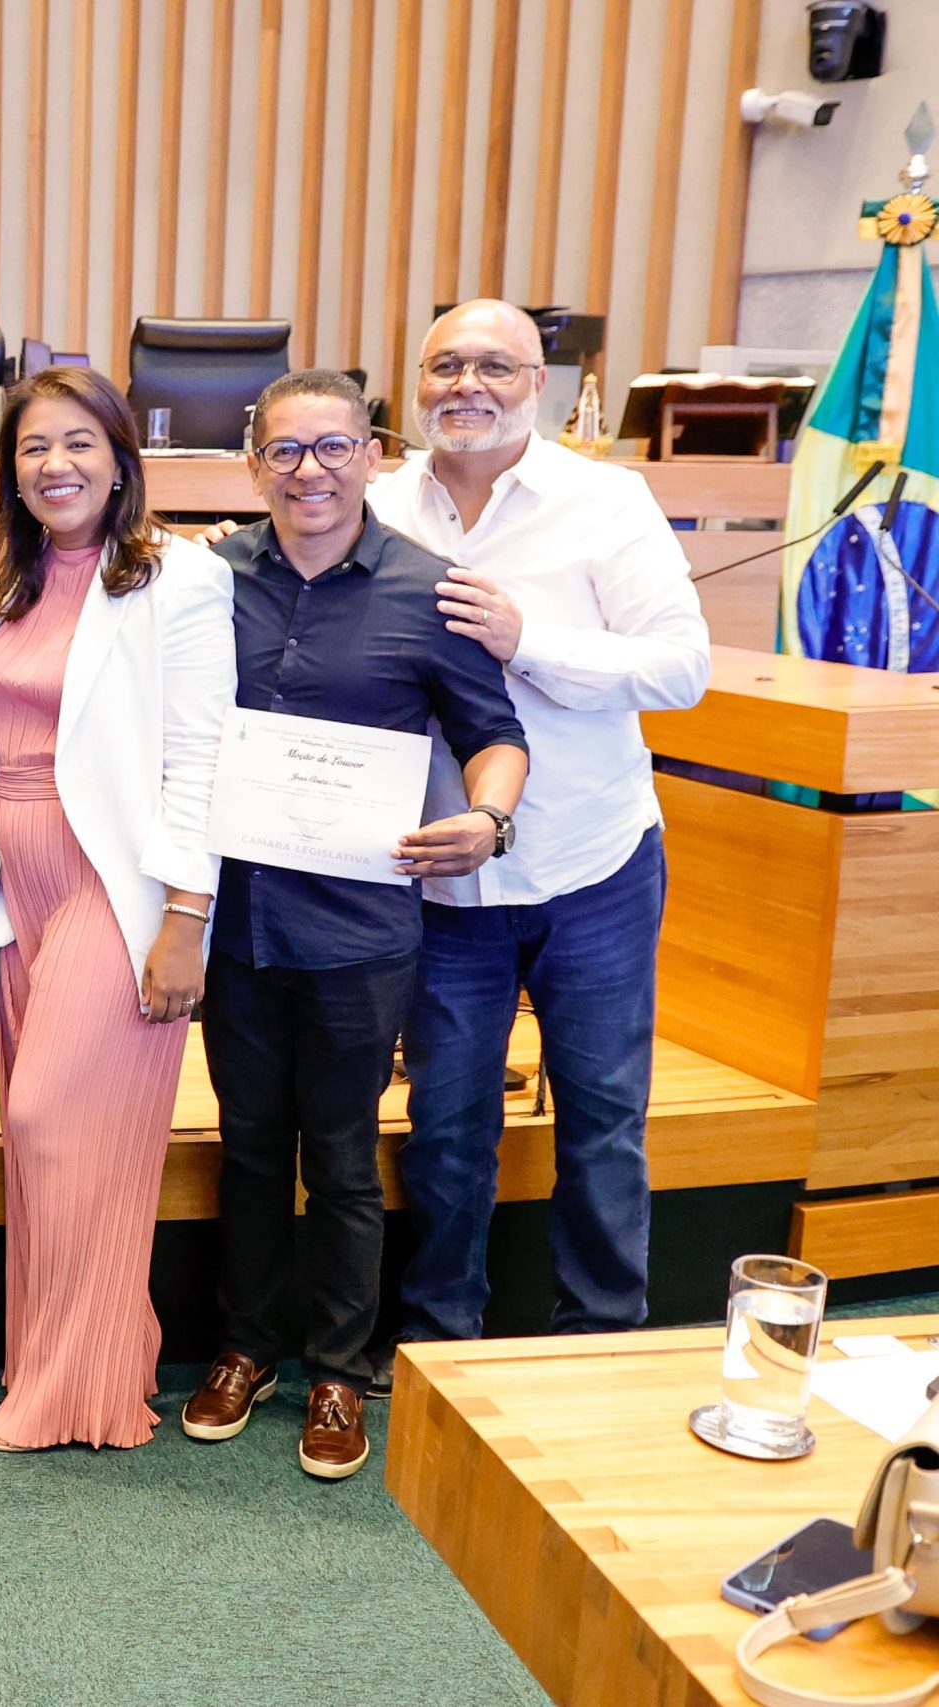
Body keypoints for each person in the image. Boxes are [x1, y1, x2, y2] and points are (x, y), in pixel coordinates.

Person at [180, 370, 529, 1482]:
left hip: (359, 932)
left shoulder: (431, 592)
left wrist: (487, 816)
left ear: (371, 457)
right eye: (285, 452)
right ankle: (245, 1347)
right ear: (253, 467)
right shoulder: (205, 581)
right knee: (244, 1149)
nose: (309, 472)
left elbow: (494, 732)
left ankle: (336, 1366)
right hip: (231, 923)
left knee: (336, 1159)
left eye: (331, 449)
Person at [376, 300, 710, 1356]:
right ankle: (440, 1346)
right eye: (443, 366)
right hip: (444, 875)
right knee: (445, 1128)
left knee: (603, 1120)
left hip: (591, 863)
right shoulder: (381, 503)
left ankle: (602, 1342)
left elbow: (679, 669)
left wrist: (532, 642)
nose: (465, 385)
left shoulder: (605, 500)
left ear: (539, 385)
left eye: (494, 366)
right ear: (416, 380)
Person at [0, 367, 235, 1452]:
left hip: (109, 885)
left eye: (78, 443)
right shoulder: (6, 579)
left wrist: (185, 914)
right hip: (13, 886)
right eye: (32, 447)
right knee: (50, 1146)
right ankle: (71, 1365)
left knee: (48, 1124)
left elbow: (200, 754)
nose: (54, 465)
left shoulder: (177, 579)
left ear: (122, 460)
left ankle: (78, 1392)